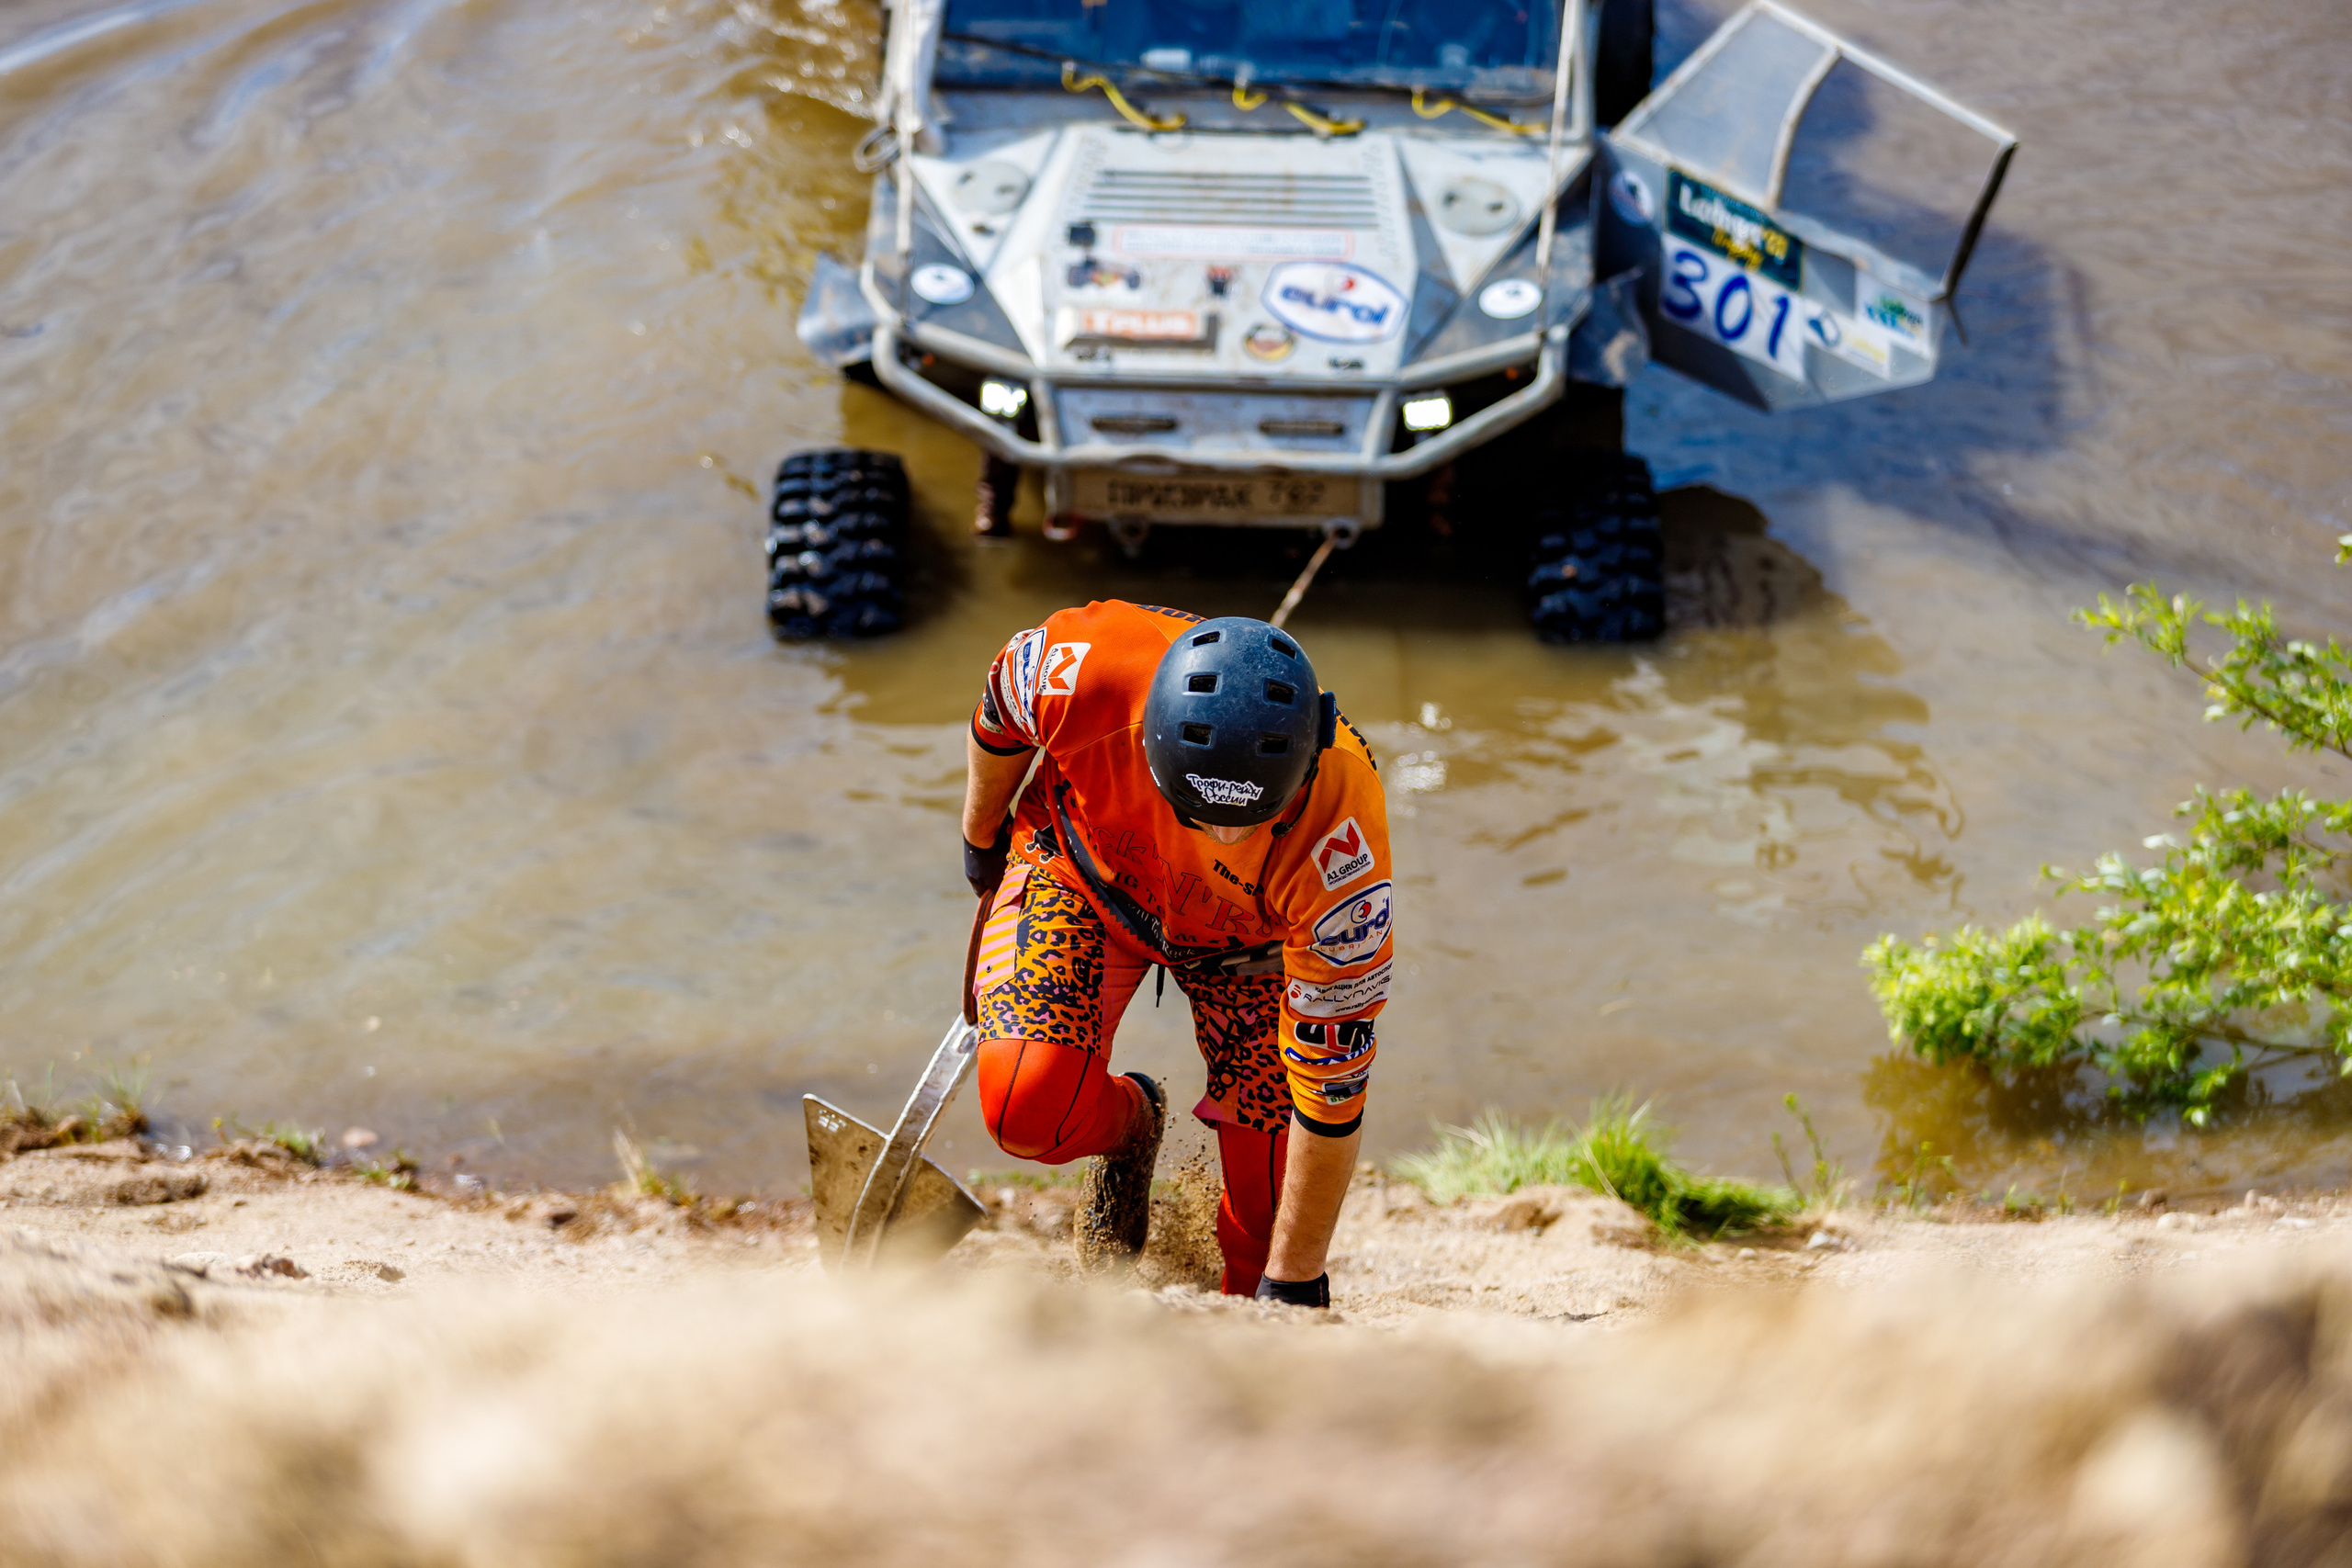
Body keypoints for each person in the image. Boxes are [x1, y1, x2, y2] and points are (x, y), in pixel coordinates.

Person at [961, 600, 1393, 1306]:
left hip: (1248, 953)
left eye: (1250, 824)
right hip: (1085, 872)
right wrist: (981, 839)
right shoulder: (1077, 668)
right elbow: (999, 715)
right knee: (1025, 1107)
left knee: (1269, 1213)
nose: (1223, 844)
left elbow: (1335, 1083)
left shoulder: (1344, 843)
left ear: (1305, 770)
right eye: (1197, 816)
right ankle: (1134, 1124)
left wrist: (1295, 1286)